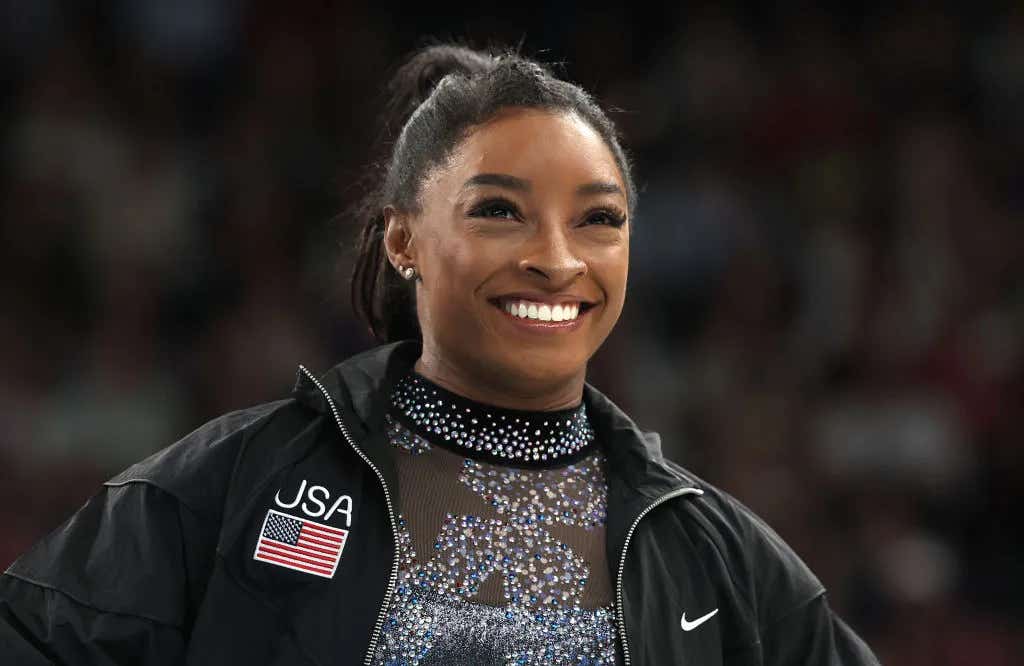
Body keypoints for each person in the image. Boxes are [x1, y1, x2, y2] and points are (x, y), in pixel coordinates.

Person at [0, 45, 879, 666]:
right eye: (499, 210)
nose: (557, 257)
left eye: (599, 219)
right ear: (403, 240)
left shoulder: (714, 552)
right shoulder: (237, 483)